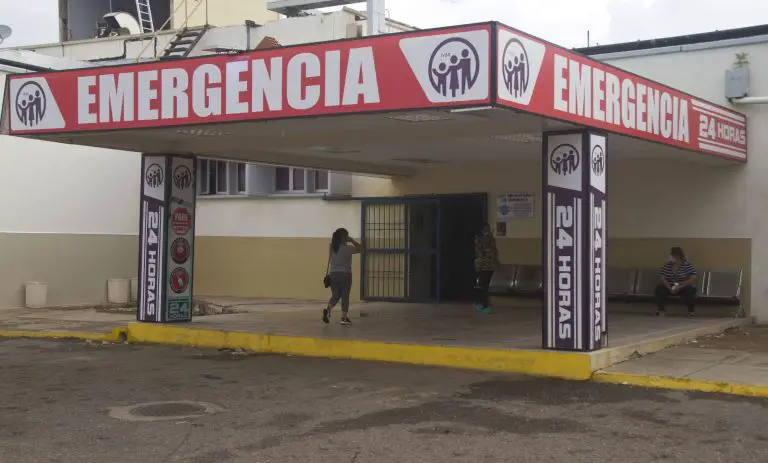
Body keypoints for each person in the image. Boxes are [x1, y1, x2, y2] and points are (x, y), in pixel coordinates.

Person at [323, 228, 362, 325]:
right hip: (345, 275)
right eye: (347, 236)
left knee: (335, 295)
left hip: (333, 274)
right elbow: (361, 249)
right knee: (345, 295)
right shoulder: (348, 248)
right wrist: (352, 240)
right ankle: (344, 318)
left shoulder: (332, 246)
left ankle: (328, 310)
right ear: (344, 237)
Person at [655, 247, 698, 317]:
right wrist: (670, 288)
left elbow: (693, 278)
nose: (671, 257)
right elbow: (663, 278)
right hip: (670, 285)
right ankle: (661, 309)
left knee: (689, 291)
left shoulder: (687, 265)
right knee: (659, 290)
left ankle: (691, 310)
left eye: (672, 255)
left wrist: (680, 286)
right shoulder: (667, 266)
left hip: (683, 285)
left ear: (678, 256)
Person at [474, 223, 499, 314]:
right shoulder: (478, 239)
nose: (487, 230)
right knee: (482, 285)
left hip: (490, 265)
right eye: (485, 229)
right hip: (482, 265)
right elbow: (479, 251)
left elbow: (494, 250)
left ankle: (482, 303)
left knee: (486, 285)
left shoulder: (491, 238)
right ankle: (481, 304)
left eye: (488, 228)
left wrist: (496, 262)